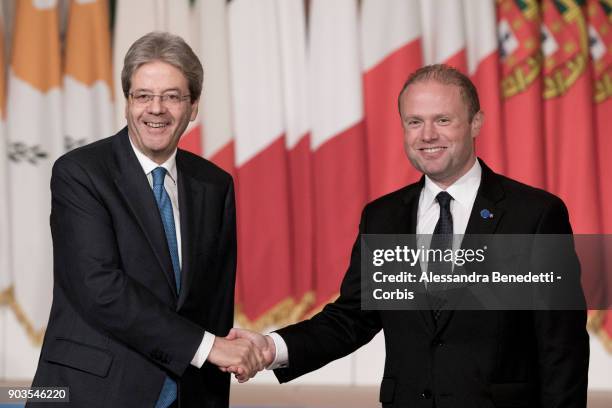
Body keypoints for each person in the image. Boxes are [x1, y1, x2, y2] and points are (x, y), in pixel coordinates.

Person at [229, 64, 589, 407]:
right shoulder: (383, 217)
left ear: (476, 122)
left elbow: (562, 345)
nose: (427, 135)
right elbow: (353, 317)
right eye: (414, 122)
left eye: (442, 120)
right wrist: (271, 348)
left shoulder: (534, 215)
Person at [28, 32, 264, 408]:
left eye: (172, 96)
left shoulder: (214, 185)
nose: (156, 109)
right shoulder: (81, 173)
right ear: (127, 102)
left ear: (194, 106)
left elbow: (214, 305)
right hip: (91, 393)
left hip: (187, 395)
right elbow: (100, 288)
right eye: (143, 96)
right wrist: (208, 348)